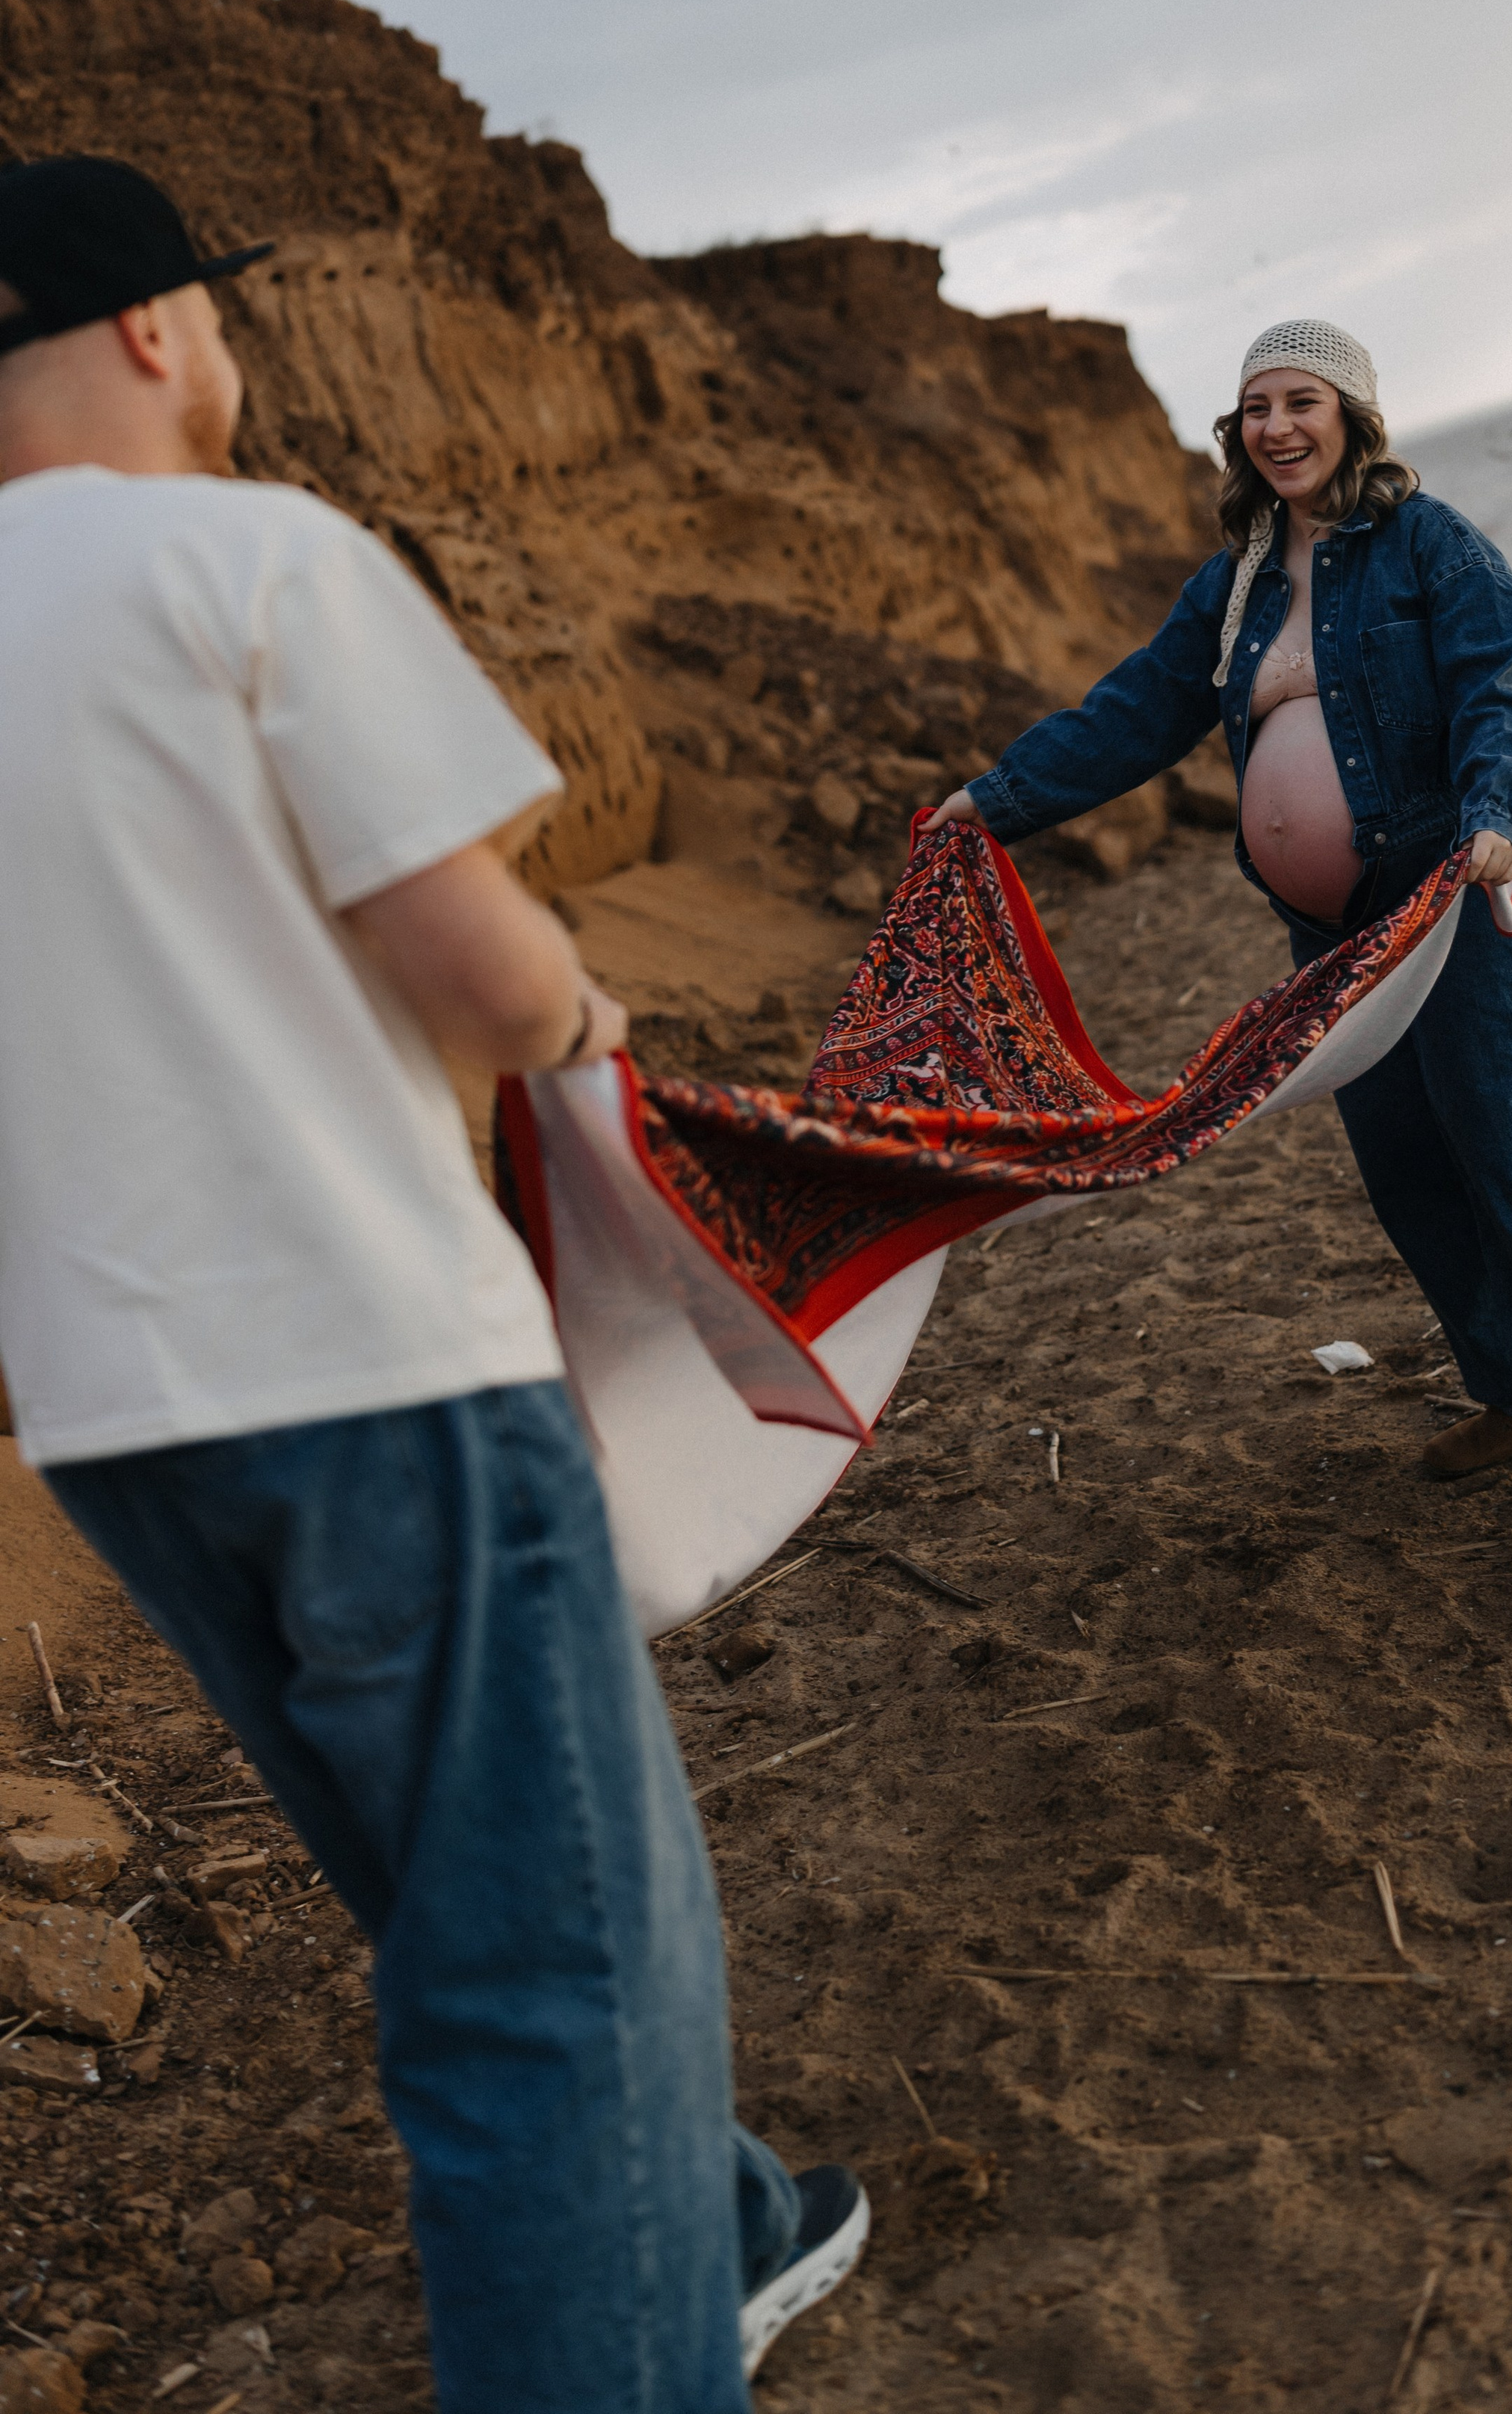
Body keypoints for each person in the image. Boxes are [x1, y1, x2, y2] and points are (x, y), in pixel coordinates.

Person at [0, 155, 866, 2412]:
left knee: (463, 1899)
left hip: (116, 1424)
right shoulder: (250, 557)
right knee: (555, 1978)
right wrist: (584, 1024)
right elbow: (481, 971)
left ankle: (724, 2229)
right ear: (155, 330)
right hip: (369, 1369)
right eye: (218, 311)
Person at [924, 317, 1512, 1578]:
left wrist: (1500, 822)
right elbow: (1135, 712)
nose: (1277, 427)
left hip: (1450, 896)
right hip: (1328, 930)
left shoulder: (1431, 545)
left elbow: (1503, 692)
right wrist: (995, 801)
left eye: (1302, 402)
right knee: (1404, 1161)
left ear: (1353, 418)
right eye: (1256, 408)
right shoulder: (1236, 584)